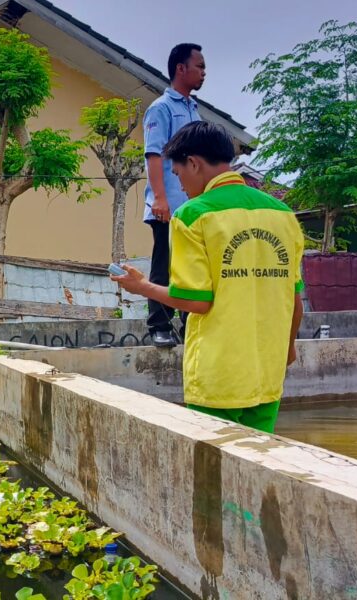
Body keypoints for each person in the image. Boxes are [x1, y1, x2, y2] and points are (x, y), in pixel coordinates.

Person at [113, 122, 304, 433]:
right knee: (258, 455)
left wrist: (142, 286)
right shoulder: (283, 215)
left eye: (178, 175)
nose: (181, 187)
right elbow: (294, 300)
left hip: (218, 375)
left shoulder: (192, 215)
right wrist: (289, 346)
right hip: (268, 370)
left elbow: (195, 301)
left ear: (193, 163)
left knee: (213, 459)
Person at [142, 43, 206, 348]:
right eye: (199, 66)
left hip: (193, 207)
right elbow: (154, 155)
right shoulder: (161, 108)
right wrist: (160, 198)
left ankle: (188, 321)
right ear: (181, 68)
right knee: (164, 264)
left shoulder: (194, 110)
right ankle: (159, 324)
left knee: (191, 265)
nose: (204, 73)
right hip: (168, 204)